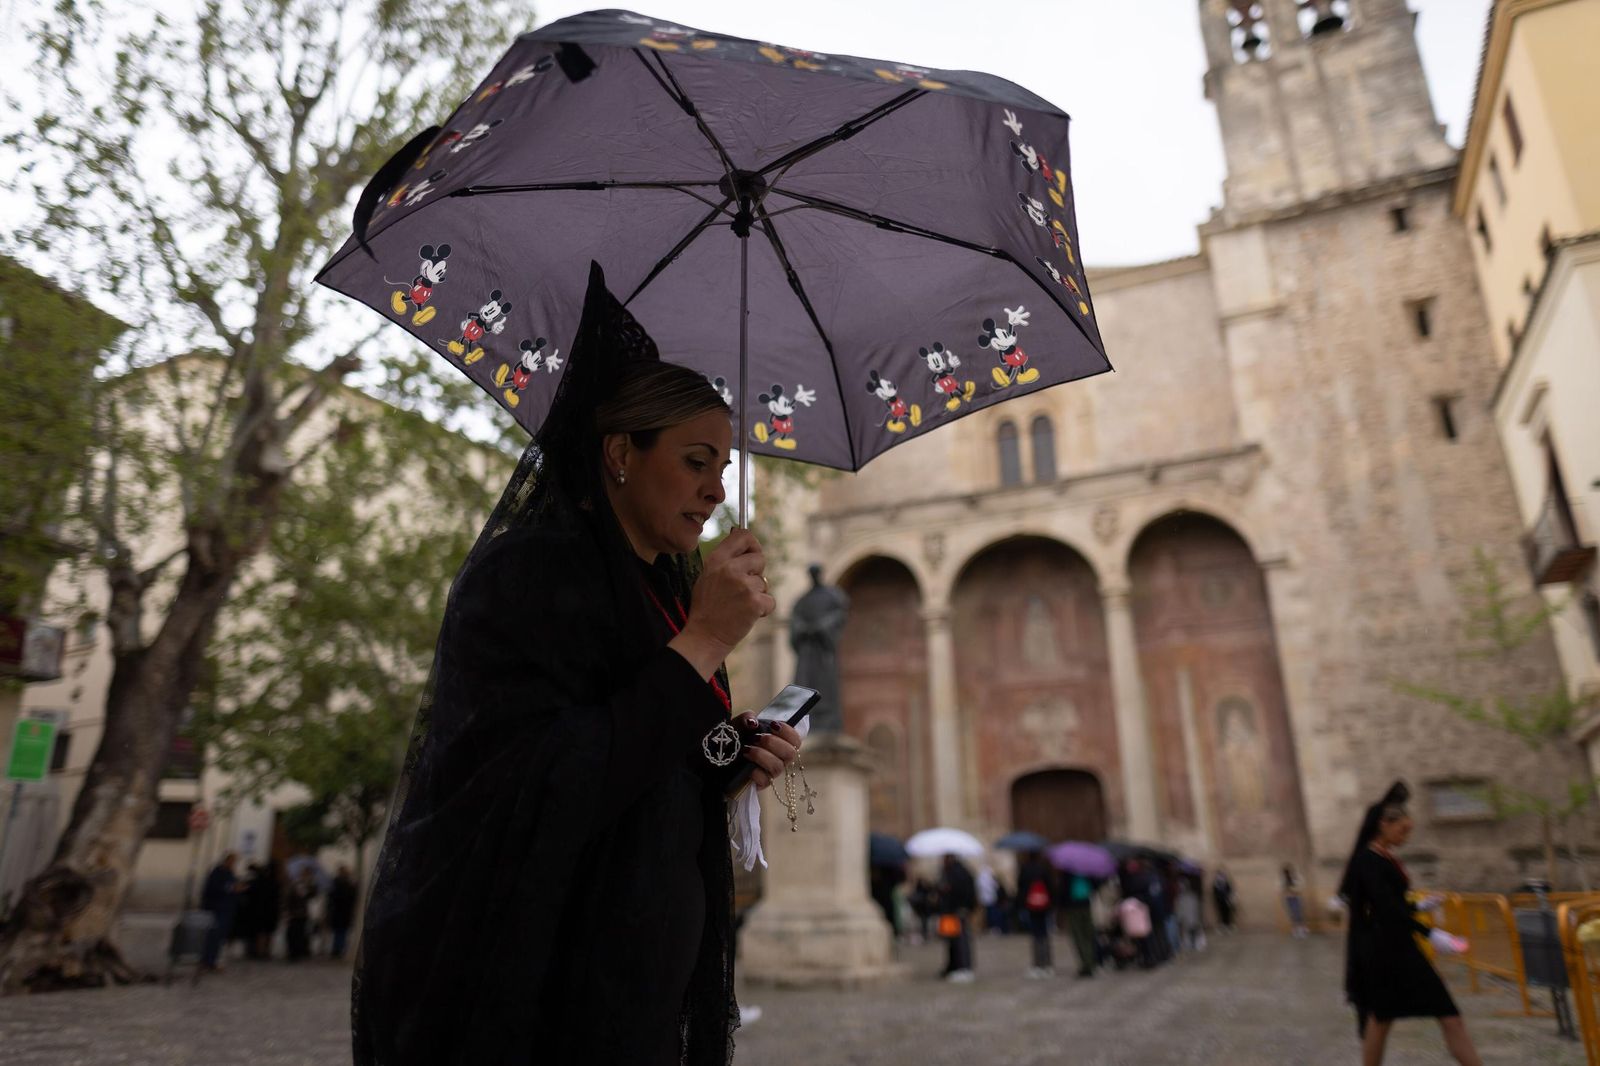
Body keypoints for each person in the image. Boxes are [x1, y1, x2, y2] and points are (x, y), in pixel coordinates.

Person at [350, 265, 801, 1066]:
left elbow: (649, 760)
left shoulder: (667, 593)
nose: (714, 489)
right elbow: (547, 786)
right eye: (696, 460)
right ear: (621, 453)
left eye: (725, 468)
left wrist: (735, 754)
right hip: (538, 998)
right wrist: (702, 644)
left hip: (641, 994)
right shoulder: (527, 576)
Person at [1340, 782, 1481, 1066]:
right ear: (1383, 824)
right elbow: (1384, 908)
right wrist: (1430, 933)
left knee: (1437, 1015)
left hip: (1398, 945)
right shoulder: (1368, 860)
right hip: (1386, 952)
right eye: (1402, 829)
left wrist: (1418, 905)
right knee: (1383, 1017)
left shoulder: (1382, 857)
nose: (1405, 836)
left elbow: (1391, 904)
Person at [937, 854, 978, 982]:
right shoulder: (953, 872)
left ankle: (963, 968)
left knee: (960, 940)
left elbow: (960, 892)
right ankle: (954, 967)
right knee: (952, 941)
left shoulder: (957, 873)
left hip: (956, 912)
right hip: (952, 912)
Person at [1015, 850, 1054, 978]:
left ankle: (1038, 964)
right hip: (1044, 905)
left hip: (1031, 906)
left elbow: (1020, 887)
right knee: (1044, 934)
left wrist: (1021, 905)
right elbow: (1051, 887)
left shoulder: (1025, 869)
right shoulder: (1044, 869)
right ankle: (1047, 964)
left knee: (1036, 935)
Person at [199, 852, 241, 972]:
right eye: (233, 861)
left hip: (226, 909)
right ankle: (207, 961)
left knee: (219, 937)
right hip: (216, 909)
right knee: (213, 936)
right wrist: (232, 888)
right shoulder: (217, 873)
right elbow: (213, 889)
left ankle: (211, 960)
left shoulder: (229, 873)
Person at [1060, 871, 1097, 978]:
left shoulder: (1068, 873)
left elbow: (1063, 890)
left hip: (1073, 906)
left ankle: (1086, 964)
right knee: (1087, 934)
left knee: (1079, 936)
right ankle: (1090, 962)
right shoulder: (1087, 871)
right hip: (1085, 903)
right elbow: (1095, 885)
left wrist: (1062, 908)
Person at [285, 865, 318, 961]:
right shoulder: (296, 884)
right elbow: (289, 897)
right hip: (294, 912)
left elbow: (312, 896)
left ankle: (300, 951)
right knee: (292, 933)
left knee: (302, 933)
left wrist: (310, 885)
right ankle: (292, 952)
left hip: (304, 913)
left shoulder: (311, 885)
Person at [327, 865, 358, 960]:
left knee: (340, 932)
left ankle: (337, 949)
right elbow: (350, 897)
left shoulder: (336, 884)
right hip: (342, 911)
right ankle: (338, 949)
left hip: (339, 911)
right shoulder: (345, 884)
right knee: (341, 932)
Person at [1176, 877, 1205, 952]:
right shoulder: (1180, 898)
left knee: (1194, 930)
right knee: (1188, 931)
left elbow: (1197, 907)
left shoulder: (1192, 896)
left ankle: (1195, 944)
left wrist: (1199, 916)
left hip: (1192, 917)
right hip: (1187, 918)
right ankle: (1190, 944)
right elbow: (1180, 909)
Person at [1283, 862, 1310, 938]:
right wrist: (1287, 890)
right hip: (1289, 898)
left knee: (1300, 912)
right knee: (1292, 914)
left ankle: (1302, 929)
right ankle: (1295, 929)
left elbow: (1301, 885)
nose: (1289, 872)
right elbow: (1280, 888)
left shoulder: (1296, 877)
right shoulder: (1284, 879)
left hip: (1297, 897)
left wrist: (1295, 890)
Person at [1212, 866, 1237, 933]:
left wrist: (1230, 898)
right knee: (1220, 913)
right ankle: (1222, 926)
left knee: (1227, 913)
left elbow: (1230, 891)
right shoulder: (1216, 883)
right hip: (1219, 901)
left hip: (1226, 901)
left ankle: (1228, 926)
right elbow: (1215, 893)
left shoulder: (1226, 883)